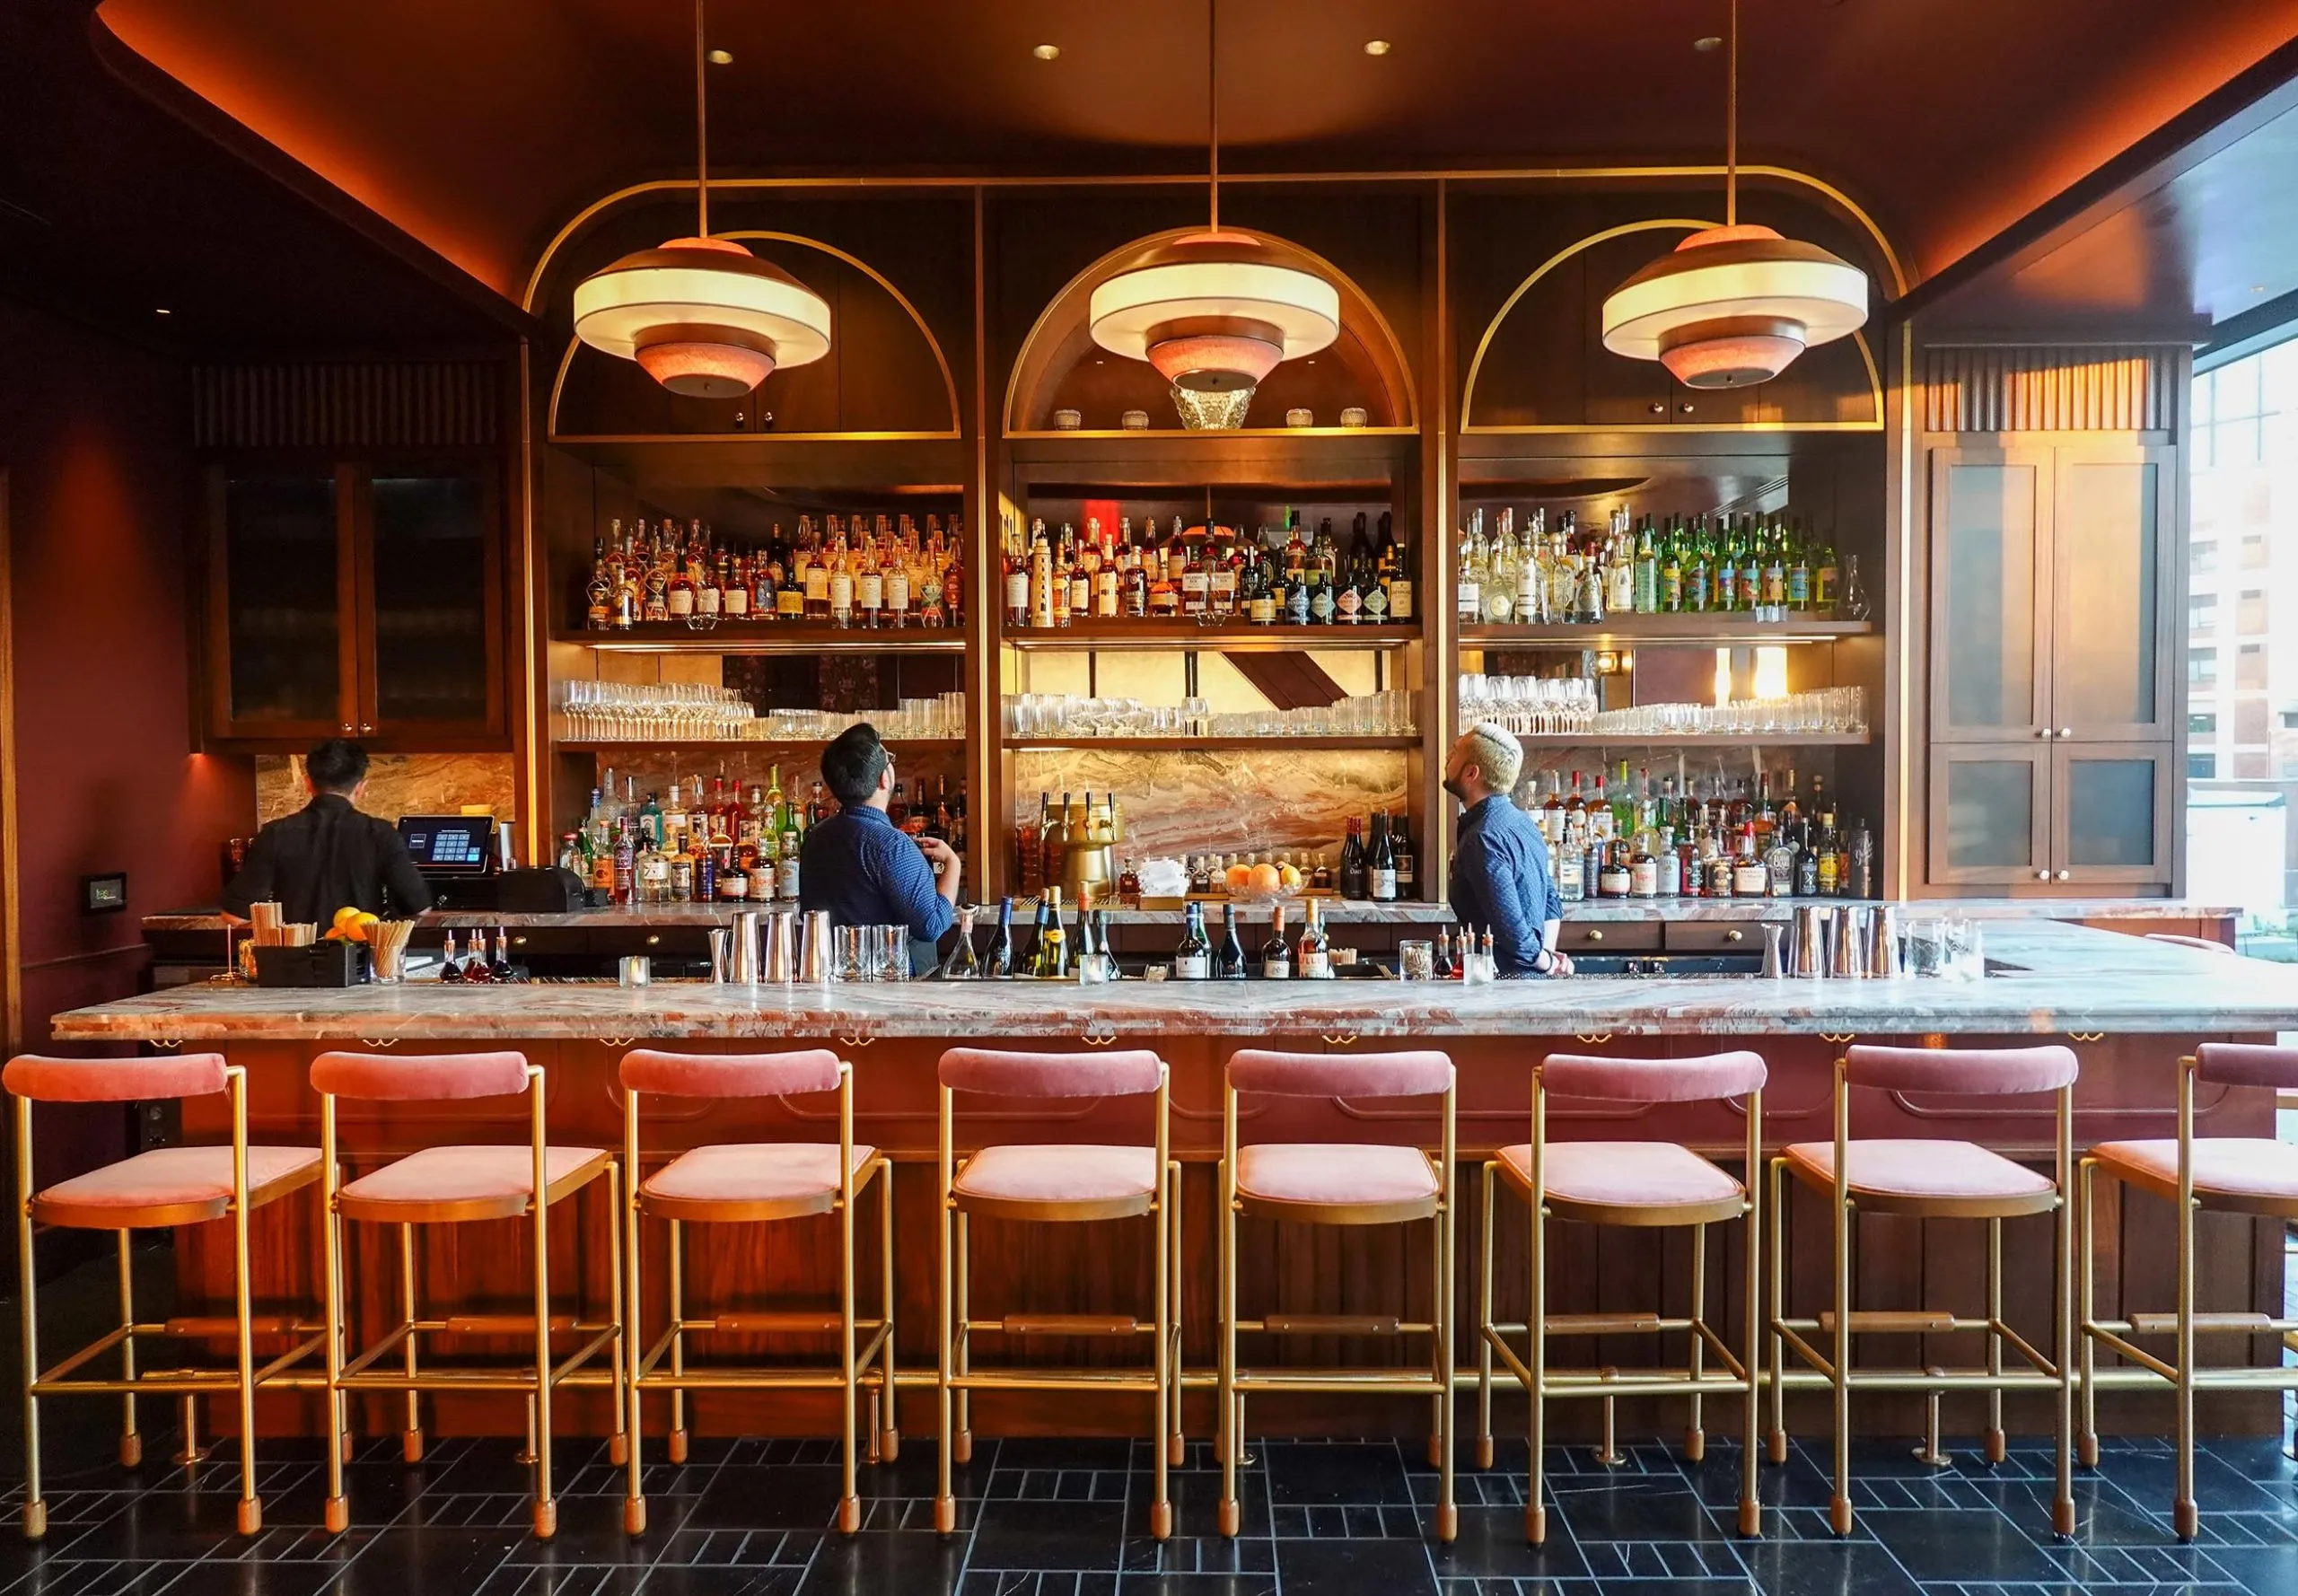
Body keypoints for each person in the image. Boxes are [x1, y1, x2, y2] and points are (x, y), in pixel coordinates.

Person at [799, 723, 960, 973]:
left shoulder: (815, 837)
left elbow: (808, 913)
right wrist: (953, 864)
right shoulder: (892, 846)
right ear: (884, 779)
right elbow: (931, 925)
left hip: (829, 983)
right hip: (885, 989)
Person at [222, 740, 434, 925]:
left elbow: (235, 916)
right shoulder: (380, 833)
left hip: (292, 965)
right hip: (359, 963)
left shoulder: (274, 834)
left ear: (307, 784)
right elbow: (419, 909)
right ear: (360, 787)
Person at [1443, 721, 1569, 978]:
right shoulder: (1523, 823)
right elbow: (1552, 900)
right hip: (1526, 981)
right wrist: (1546, 957)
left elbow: (1511, 931)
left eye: (1455, 752)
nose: (1447, 756)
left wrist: (1546, 962)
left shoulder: (1483, 838)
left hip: (1499, 986)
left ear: (1471, 773)